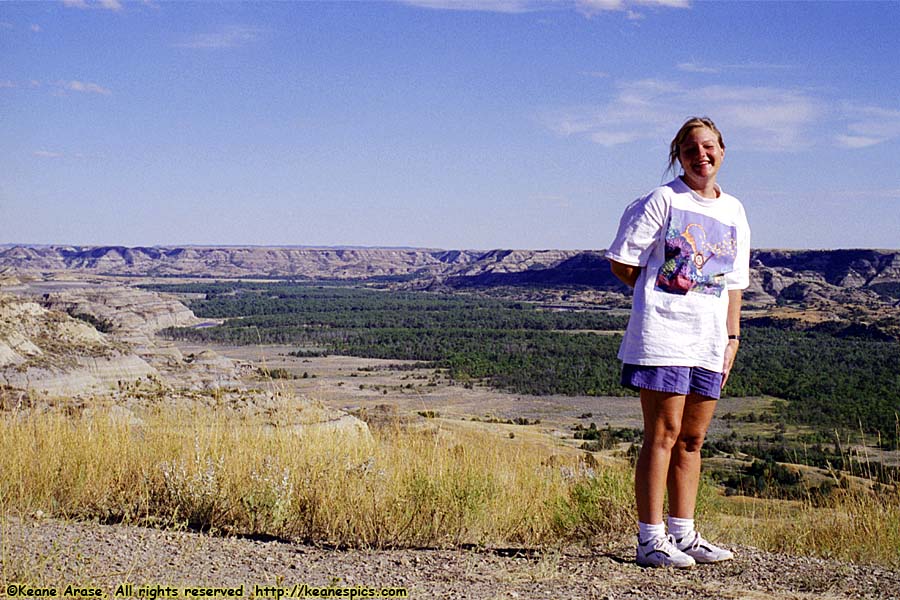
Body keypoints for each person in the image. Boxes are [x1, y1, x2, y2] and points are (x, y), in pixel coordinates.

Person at [605, 117, 750, 569]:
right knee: (662, 436)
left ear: (723, 151)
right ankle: (650, 539)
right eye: (690, 148)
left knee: (692, 439)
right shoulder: (662, 200)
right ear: (678, 155)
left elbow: (733, 284)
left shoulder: (734, 211)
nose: (700, 155)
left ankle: (683, 534)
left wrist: (732, 336)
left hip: (709, 340)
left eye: (709, 147)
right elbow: (623, 264)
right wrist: (663, 299)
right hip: (664, 336)